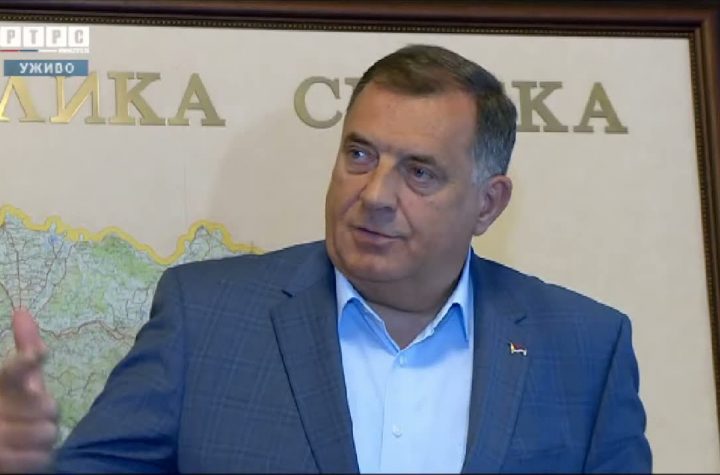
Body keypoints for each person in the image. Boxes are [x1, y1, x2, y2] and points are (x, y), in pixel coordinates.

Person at [0, 44, 651, 473]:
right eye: (360, 154)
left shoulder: (585, 348)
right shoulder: (206, 318)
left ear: (488, 203)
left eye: (419, 172)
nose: (375, 195)